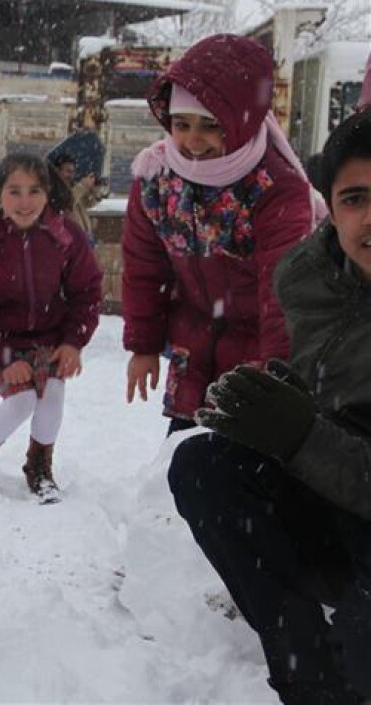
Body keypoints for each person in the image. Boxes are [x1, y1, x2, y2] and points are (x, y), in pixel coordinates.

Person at [167, 109, 371, 705]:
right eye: (356, 197)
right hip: (340, 500)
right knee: (205, 464)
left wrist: (300, 435)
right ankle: (306, 674)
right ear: (331, 206)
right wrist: (277, 407)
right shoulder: (310, 280)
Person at [121, 34, 322, 433]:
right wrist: (143, 345)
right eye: (181, 124)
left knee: (237, 476)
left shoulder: (276, 189)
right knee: (181, 470)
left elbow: (284, 293)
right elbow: (144, 269)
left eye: (210, 126)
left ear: (241, 121)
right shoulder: (156, 180)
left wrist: (277, 375)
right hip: (193, 353)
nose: (192, 141)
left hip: (257, 359)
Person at [0, 154, 103, 502]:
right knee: (23, 400)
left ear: (48, 194)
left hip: (50, 339)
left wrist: (73, 342)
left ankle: (40, 468)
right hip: (3, 343)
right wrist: (0, 359)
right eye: (14, 191)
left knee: (53, 394)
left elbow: (87, 291)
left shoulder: (65, 237)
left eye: (34, 191)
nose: (25, 201)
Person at [48, 151, 107, 245]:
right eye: (68, 171)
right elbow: (65, 203)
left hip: (85, 233)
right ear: (58, 171)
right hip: (71, 237)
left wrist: (94, 192)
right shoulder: (53, 189)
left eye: (72, 172)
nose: (71, 175)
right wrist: (82, 186)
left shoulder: (73, 187)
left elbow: (88, 204)